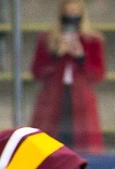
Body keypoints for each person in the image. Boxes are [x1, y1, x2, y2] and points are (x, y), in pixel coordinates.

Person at [31, 1, 105, 154]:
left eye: (74, 13)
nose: (71, 18)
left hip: (81, 100)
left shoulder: (92, 40)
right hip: (53, 98)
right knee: (51, 140)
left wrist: (81, 57)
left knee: (81, 141)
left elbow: (98, 74)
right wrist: (56, 55)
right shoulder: (48, 39)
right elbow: (37, 72)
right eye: (67, 13)